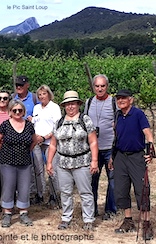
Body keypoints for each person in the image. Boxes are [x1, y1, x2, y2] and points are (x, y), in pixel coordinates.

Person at [46, 90, 99, 231]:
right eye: (68, 104)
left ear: (78, 105)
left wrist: (94, 160)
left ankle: (88, 220)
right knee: (65, 192)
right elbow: (53, 144)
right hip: (63, 163)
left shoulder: (85, 120)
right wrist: (49, 162)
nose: (70, 107)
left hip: (82, 162)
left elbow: (93, 142)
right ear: (64, 106)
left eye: (73, 104)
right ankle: (66, 218)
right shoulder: (59, 122)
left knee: (85, 192)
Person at [110, 89, 154, 240]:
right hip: (120, 156)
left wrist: (150, 151)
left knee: (142, 189)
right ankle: (128, 220)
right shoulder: (117, 115)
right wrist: (112, 157)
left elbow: (147, 133)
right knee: (121, 190)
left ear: (131, 100)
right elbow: (116, 137)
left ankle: (147, 224)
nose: (120, 101)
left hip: (136, 156)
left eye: (123, 98)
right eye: (118, 99)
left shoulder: (138, 114)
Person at [0, 100, 37, 228]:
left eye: (20, 110)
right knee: (8, 186)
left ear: (24, 112)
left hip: (24, 161)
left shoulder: (29, 125)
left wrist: (25, 151)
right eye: (15, 110)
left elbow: (34, 141)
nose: (17, 112)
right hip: (7, 161)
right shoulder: (5, 125)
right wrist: (6, 151)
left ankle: (23, 212)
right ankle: (7, 213)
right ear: (10, 112)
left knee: (24, 187)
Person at [84, 74, 117, 220]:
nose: (100, 88)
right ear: (93, 87)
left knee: (113, 181)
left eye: (102, 86)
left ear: (107, 87)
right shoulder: (89, 102)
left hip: (110, 147)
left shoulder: (113, 102)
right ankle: (92, 210)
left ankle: (111, 211)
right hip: (93, 149)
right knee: (92, 182)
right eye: (97, 86)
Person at [28, 85, 61, 206]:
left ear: (49, 94)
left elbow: (57, 126)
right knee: (37, 169)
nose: (42, 96)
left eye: (44, 94)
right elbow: (35, 123)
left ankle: (54, 195)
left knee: (52, 168)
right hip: (37, 141)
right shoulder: (36, 108)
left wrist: (45, 137)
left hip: (49, 141)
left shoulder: (54, 107)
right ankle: (40, 194)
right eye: (40, 94)